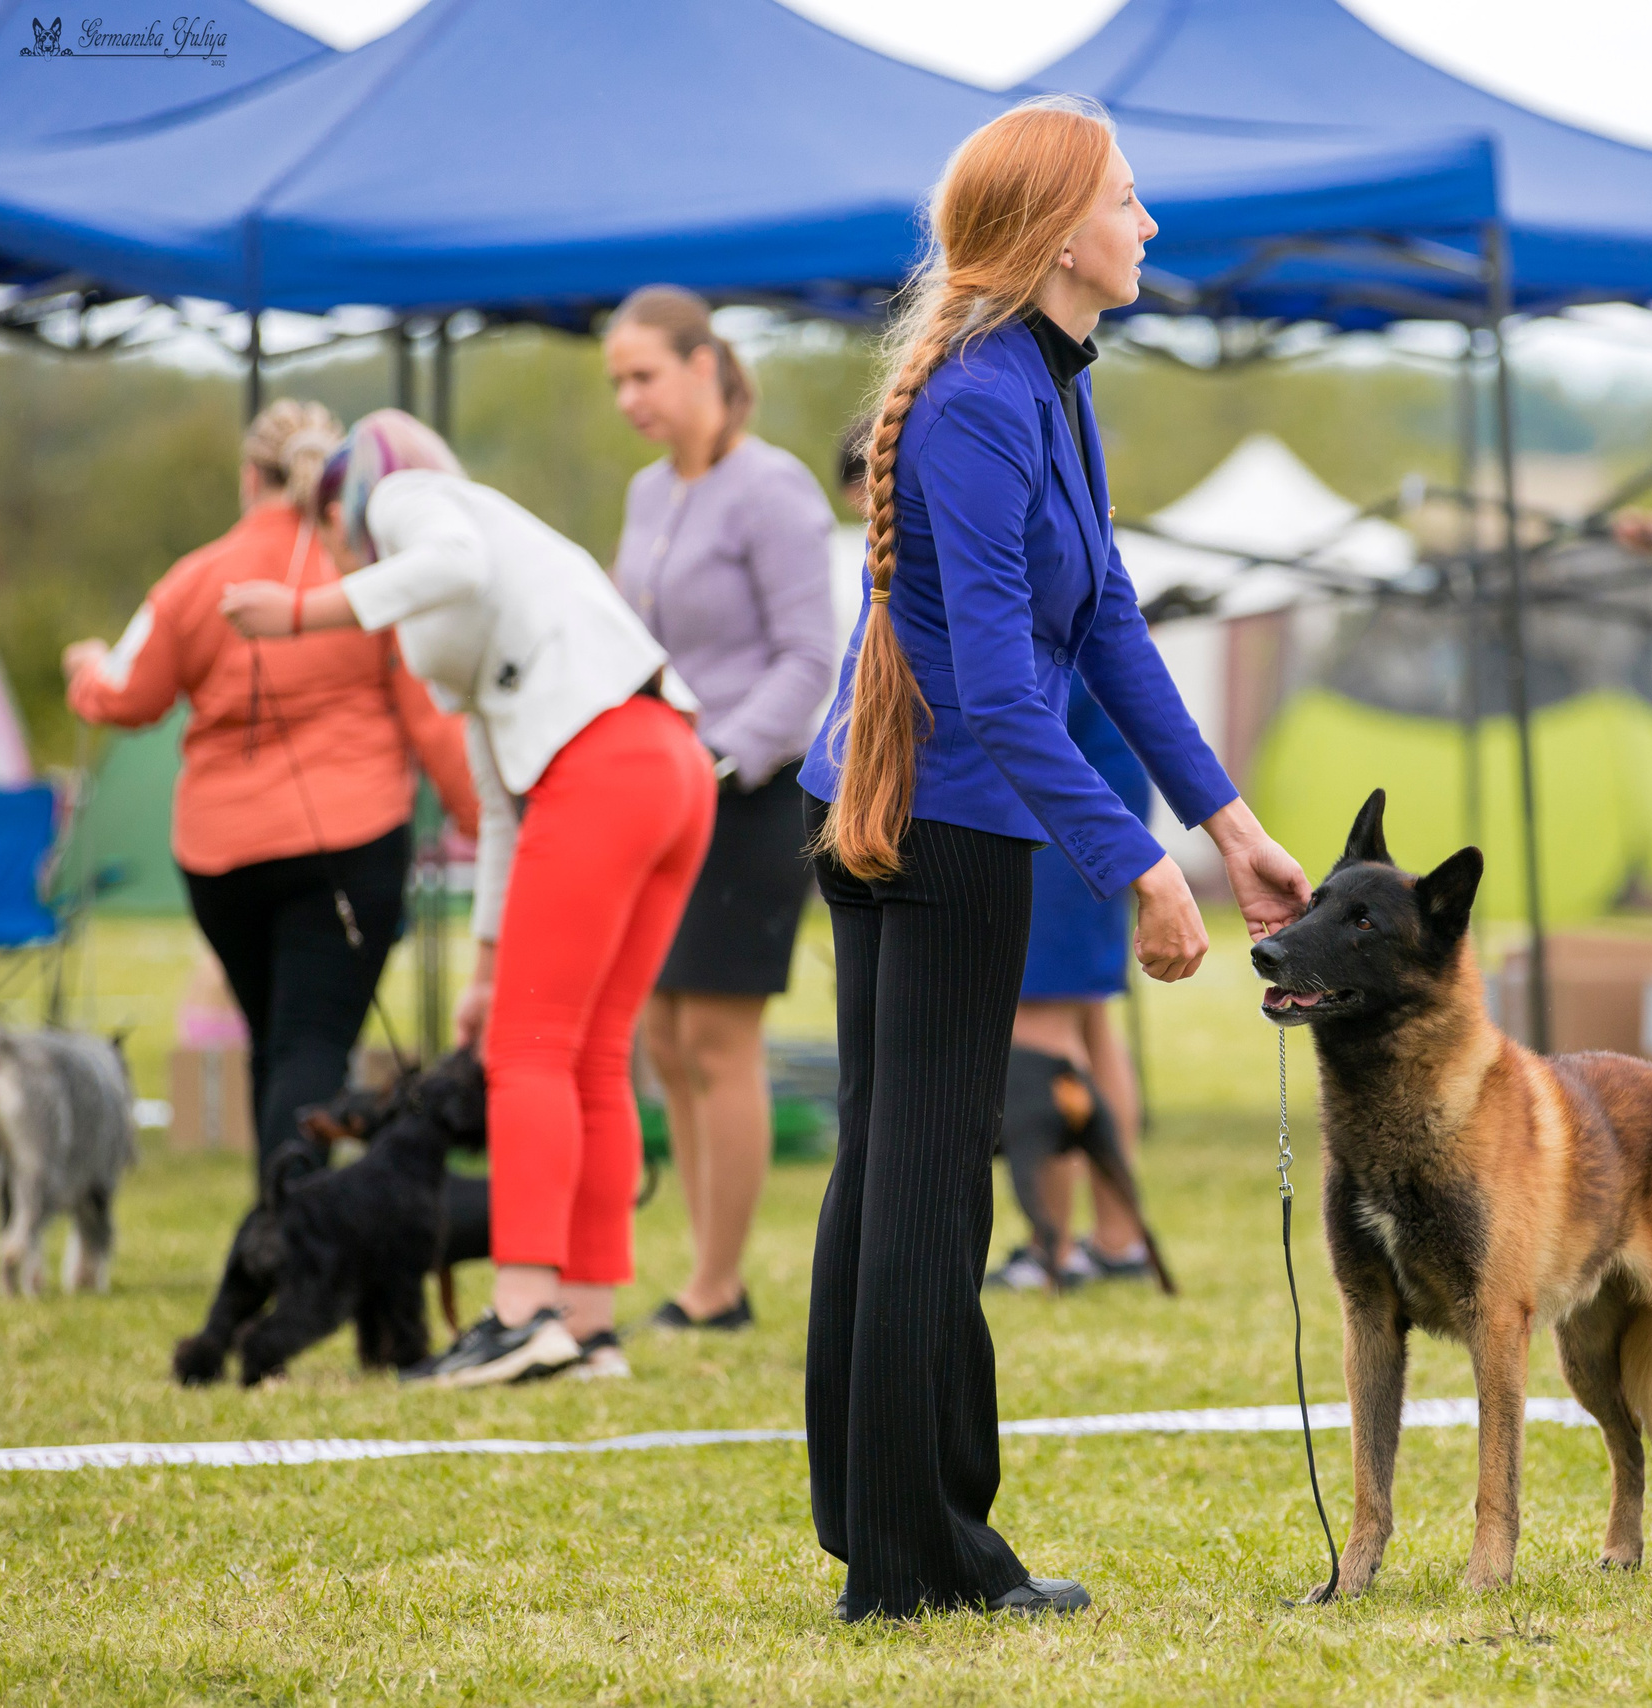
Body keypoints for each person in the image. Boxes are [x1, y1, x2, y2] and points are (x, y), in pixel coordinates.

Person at [797, 95, 1310, 1622]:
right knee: (922, 1185)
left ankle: (888, 1530)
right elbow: (997, 690)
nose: (1149, 223)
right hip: (934, 823)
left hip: (936, 807)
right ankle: (912, 1556)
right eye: (1127, 199)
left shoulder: (1044, 381)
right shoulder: (980, 399)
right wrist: (1135, 863)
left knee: (903, 1173)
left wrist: (1227, 825)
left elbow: (1104, 625)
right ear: (1057, 234)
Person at [218, 409, 716, 1388]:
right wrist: (487, 971)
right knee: (590, 1055)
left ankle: (521, 1313)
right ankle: (587, 1325)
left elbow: (448, 565)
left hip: (600, 763)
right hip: (670, 765)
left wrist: (304, 613)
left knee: (529, 1055)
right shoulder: (484, 561)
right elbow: (495, 797)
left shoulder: (413, 501)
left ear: (346, 501)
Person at [63, 399, 477, 1191]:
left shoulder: (193, 579)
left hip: (221, 856)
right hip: (350, 843)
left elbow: (127, 698)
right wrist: (482, 822)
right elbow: (431, 720)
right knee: (312, 1045)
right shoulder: (365, 577)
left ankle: (278, 1218)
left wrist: (83, 670)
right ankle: (295, 1219)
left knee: (274, 1042)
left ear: (249, 477)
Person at [604, 285, 839, 1333]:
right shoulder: (646, 493)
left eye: (643, 375)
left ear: (705, 365)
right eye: (616, 381)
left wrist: (718, 755)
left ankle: (718, 1283)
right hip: (662, 791)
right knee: (660, 1032)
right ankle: (705, 1269)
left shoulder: (772, 488)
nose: (628, 398)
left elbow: (810, 659)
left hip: (751, 794)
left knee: (716, 1037)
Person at [984, 674, 1155, 1291]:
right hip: (1091, 774)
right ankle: (1116, 1241)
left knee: (1040, 1021)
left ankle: (1051, 1249)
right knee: (1087, 1017)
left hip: (1063, 785)